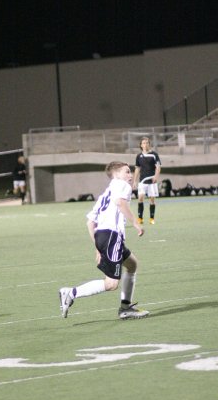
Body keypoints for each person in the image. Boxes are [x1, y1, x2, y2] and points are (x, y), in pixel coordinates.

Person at [59, 161, 149, 320]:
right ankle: (71, 293)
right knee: (112, 283)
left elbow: (90, 222)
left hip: (103, 236)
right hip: (112, 237)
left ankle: (126, 307)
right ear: (116, 174)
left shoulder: (105, 194)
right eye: (127, 172)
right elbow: (121, 203)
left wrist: (97, 247)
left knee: (132, 264)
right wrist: (135, 223)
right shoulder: (122, 186)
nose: (130, 175)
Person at [133, 136, 161, 224]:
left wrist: (156, 176)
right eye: (144, 143)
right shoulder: (138, 156)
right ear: (141, 145)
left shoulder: (154, 154)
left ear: (149, 144)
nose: (145, 144)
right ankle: (140, 218)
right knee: (140, 198)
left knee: (152, 200)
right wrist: (135, 181)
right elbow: (137, 169)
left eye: (147, 143)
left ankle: (152, 218)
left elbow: (158, 167)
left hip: (152, 181)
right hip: (142, 181)